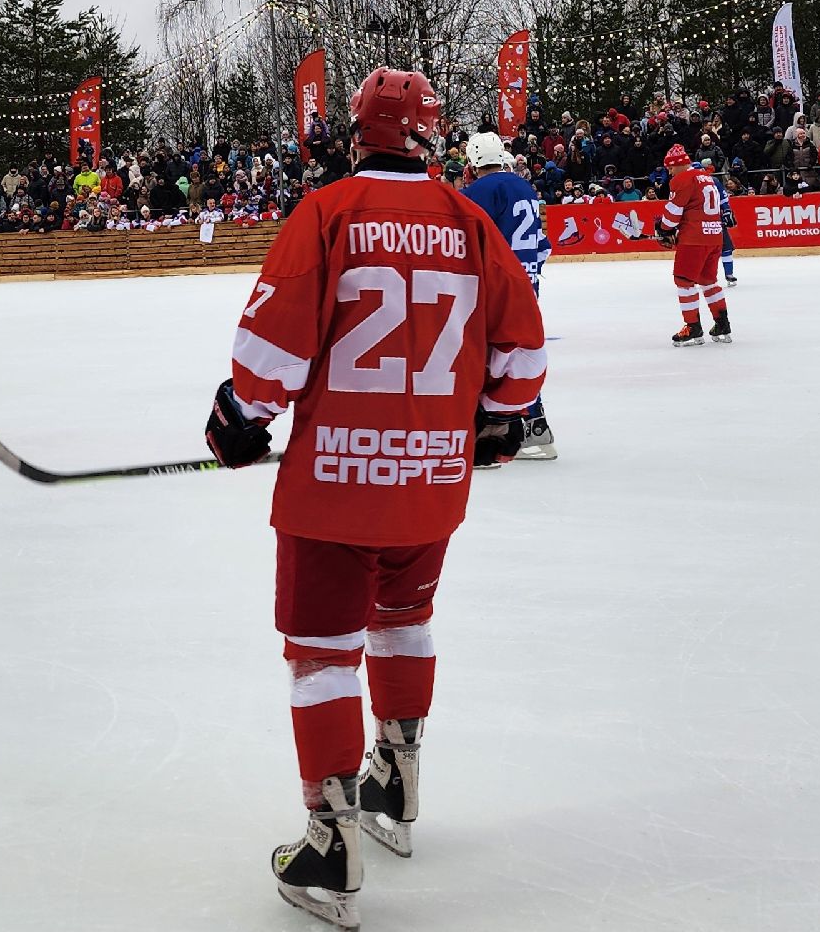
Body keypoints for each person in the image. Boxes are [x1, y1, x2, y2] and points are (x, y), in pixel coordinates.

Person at [203, 67, 547, 929]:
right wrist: (499, 422)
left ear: (356, 132)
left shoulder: (326, 213)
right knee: (404, 617)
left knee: (322, 654)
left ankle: (331, 846)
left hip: (334, 489)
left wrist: (240, 419)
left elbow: (273, 352)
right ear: (431, 135)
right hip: (430, 481)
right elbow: (523, 344)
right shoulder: (468, 221)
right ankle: (394, 784)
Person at [461, 130, 557, 461]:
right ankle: (533, 424)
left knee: (491, 357)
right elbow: (543, 246)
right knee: (520, 356)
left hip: (497, 286)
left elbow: (465, 237)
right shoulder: (524, 186)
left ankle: (498, 431)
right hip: (527, 284)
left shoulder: (480, 190)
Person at [654, 143, 730, 345]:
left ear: (680, 165)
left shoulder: (683, 179)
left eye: (670, 167)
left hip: (694, 239)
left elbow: (674, 212)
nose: (669, 172)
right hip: (714, 237)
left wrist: (663, 228)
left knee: (683, 280)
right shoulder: (707, 177)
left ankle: (693, 327)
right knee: (708, 281)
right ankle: (722, 323)